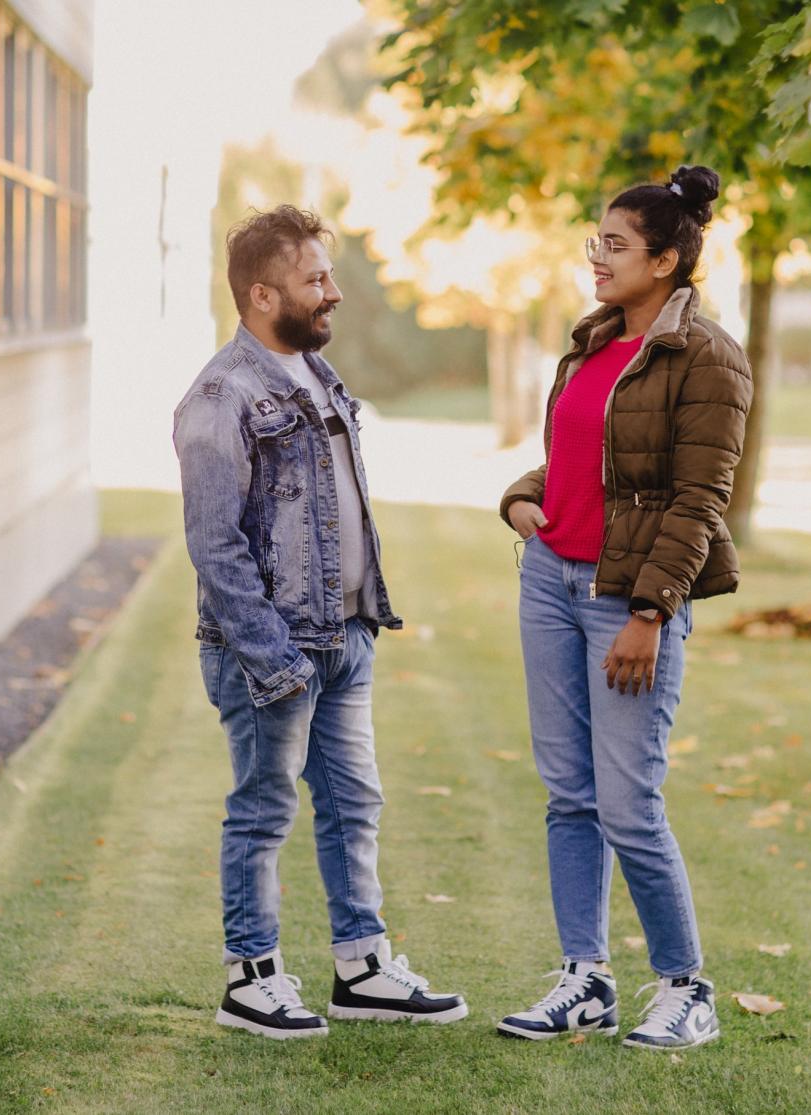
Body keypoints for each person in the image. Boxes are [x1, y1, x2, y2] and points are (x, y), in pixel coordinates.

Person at [172, 206, 468, 1040]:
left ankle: (362, 967)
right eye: (315, 280)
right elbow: (215, 546)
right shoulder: (220, 396)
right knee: (264, 809)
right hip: (271, 652)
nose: (333, 292)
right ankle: (251, 979)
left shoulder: (315, 374)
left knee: (353, 803)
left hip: (345, 636)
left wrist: (359, 621)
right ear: (263, 295)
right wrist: (275, 658)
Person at [494, 166, 752, 1051]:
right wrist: (522, 497)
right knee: (569, 795)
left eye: (615, 245)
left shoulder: (709, 357)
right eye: (595, 242)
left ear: (665, 260)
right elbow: (579, 455)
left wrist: (651, 611)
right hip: (550, 581)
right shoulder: (594, 339)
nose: (596, 258)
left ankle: (687, 987)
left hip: (626, 597)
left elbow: (699, 498)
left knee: (628, 802)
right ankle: (586, 979)